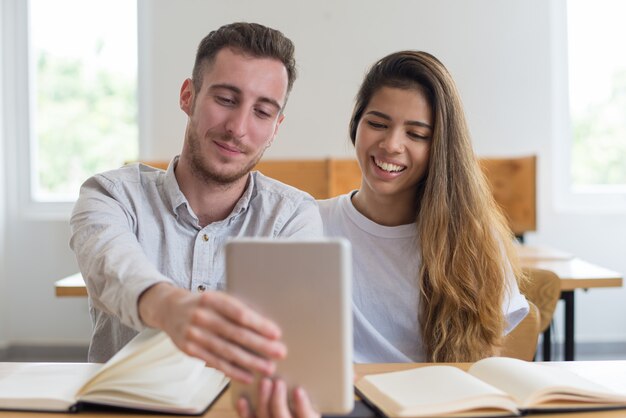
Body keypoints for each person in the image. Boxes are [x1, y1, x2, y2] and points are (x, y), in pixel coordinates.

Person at [70, 22, 323, 404]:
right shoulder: (110, 195)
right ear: (188, 96)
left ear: (275, 129)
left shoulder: (293, 216)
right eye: (225, 99)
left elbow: (295, 341)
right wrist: (168, 307)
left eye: (262, 112)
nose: (238, 128)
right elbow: (111, 267)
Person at [318, 50, 529, 363]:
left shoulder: (473, 239)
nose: (391, 145)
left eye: (416, 134)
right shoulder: (309, 223)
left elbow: (490, 364)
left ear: (440, 148)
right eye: (377, 123)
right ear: (356, 125)